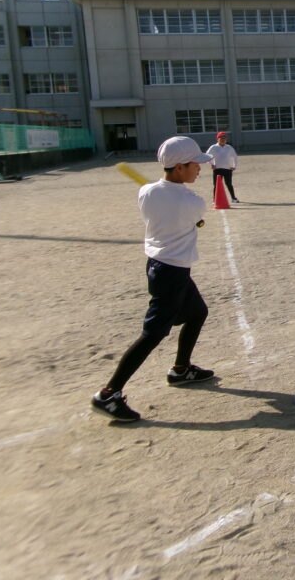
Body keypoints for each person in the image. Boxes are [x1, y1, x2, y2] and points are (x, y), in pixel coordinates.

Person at [91, 136, 215, 422]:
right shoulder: (192, 201)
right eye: (195, 164)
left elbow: (173, 206)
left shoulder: (146, 191)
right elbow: (195, 216)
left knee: (198, 312)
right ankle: (109, 394)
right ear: (180, 167)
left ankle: (181, 369)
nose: (200, 168)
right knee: (153, 334)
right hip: (172, 272)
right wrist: (191, 215)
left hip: (161, 266)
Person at [207, 131, 239, 202]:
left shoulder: (229, 147)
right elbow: (207, 156)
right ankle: (215, 200)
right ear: (217, 139)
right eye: (221, 138)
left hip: (228, 169)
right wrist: (212, 164)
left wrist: (234, 166)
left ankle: (233, 198)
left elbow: (235, 157)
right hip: (217, 169)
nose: (223, 139)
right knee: (216, 185)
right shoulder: (213, 147)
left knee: (229, 184)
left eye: (224, 138)